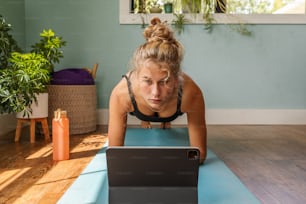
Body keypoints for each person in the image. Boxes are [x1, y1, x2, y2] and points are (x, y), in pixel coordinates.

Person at [108, 17, 207, 164]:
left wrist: (167, 164)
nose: (155, 92)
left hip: (173, 104)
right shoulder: (121, 94)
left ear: (176, 79)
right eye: (147, 81)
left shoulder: (191, 93)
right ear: (137, 76)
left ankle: (166, 119)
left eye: (165, 81)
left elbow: (200, 155)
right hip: (138, 104)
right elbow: (114, 156)